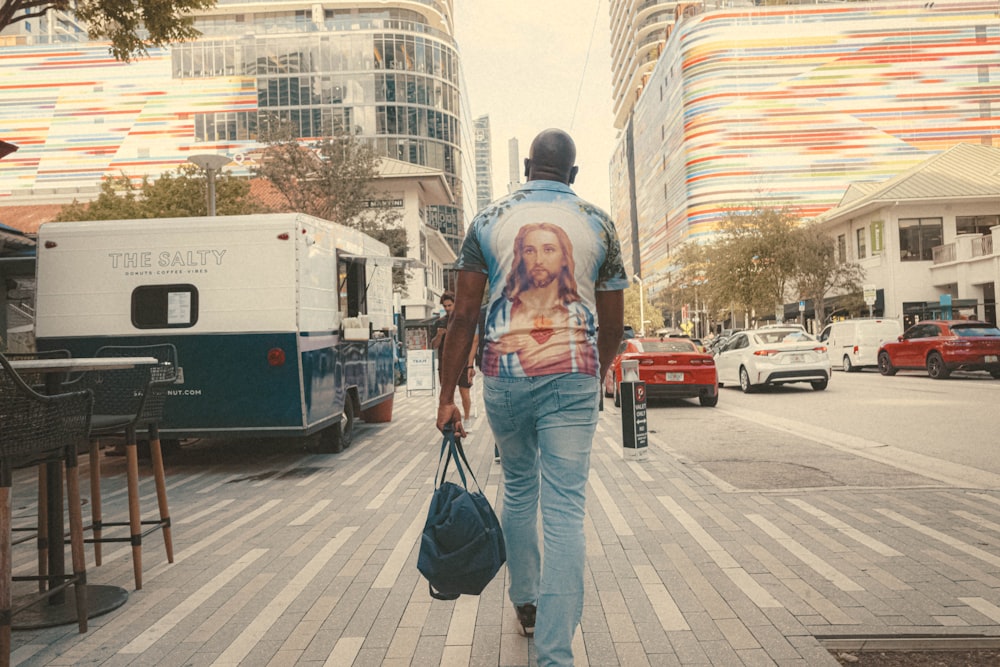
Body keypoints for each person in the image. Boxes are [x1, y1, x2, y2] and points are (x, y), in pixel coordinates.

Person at [436, 128, 626, 666]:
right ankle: (555, 656)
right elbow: (613, 323)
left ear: (526, 165)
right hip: (575, 377)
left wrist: (446, 397)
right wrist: (597, 370)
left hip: (503, 380)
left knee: (519, 490)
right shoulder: (599, 224)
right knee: (566, 508)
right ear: (573, 174)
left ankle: (525, 600)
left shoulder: (488, 222)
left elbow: (464, 315)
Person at [430, 291, 477, 420]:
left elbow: (473, 341)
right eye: (445, 306)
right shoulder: (439, 323)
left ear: (456, 304)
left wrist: (470, 365)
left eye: (450, 305)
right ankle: (452, 420)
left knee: (464, 392)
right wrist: (439, 335)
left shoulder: (465, 321)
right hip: (445, 364)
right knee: (446, 394)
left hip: (462, 363)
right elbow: (434, 345)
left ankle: (467, 419)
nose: (447, 308)